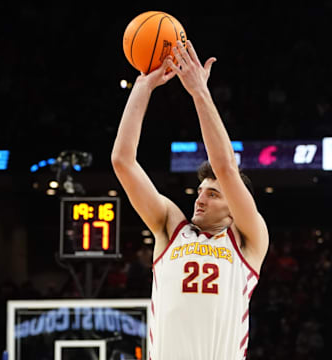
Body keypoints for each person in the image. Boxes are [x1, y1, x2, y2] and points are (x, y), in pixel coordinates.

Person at [111, 40, 269, 360]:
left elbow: (225, 167)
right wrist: (143, 87)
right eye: (199, 192)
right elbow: (122, 161)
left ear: (234, 207)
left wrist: (199, 91)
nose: (200, 199)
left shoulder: (248, 239)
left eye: (213, 194)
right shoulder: (171, 226)